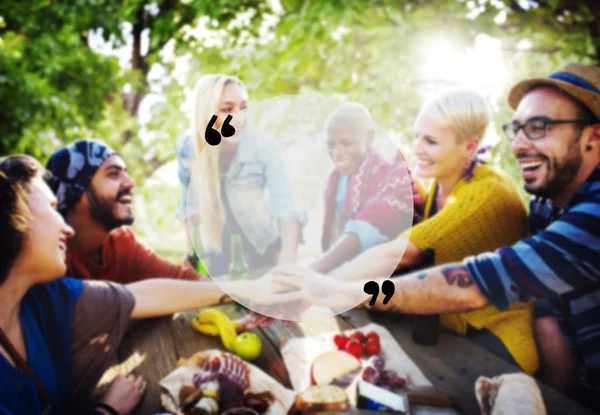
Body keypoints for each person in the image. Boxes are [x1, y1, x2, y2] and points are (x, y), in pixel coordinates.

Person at [271, 63, 600, 412]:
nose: (519, 144)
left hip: (496, 342)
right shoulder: (545, 207)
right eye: (516, 130)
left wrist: (330, 289)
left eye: (539, 128)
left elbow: (467, 276)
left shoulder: (510, 197)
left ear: (593, 136)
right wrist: (558, 392)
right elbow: (548, 304)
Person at [0, 154, 297, 415]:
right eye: (52, 207)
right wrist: (107, 410)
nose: (64, 226)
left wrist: (246, 289)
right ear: (16, 218)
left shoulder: (44, 297)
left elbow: (141, 295)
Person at [271, 88, 539, 374]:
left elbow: (398, 253)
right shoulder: (441, 182)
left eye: (431, 141)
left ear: (470, 147)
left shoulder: (487, 192)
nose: (418, 149)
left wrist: (315, 289)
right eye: (417, 137)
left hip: (494, 343)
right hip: (442, 330)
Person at [176, 74, 306, 276]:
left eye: (243, 107)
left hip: (262, 246)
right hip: (217, 245)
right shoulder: (188, 146)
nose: (238, 118)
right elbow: (189, 205)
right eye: (226, 109)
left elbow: (286, 208)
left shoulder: (263, 146)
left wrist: (287, 263)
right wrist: (192, 249)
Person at [45, 139, 202, 283]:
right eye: (114, 174)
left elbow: (181, 280)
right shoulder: (47, 252)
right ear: (77, 190)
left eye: (125, 173)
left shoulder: (121, 244)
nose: (130, 182)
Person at [311, 102, 423, 273]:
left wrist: (315, 270)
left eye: (346, 143)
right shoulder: (334, 180)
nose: (337, 152)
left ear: (369, 138)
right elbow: (334, 232)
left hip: (387, 272)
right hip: (344, 266)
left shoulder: (392, 171)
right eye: (331, 145)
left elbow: (373, 222)